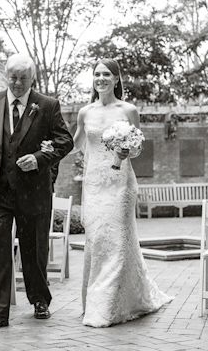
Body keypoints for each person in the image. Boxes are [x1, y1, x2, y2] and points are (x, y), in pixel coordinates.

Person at [0, 54, 73, 331]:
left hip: (33, 191)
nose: (17, 83)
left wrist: (40, 158)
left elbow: (64, 141)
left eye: (23, 78)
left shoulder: (47, 105)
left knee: (33, 249)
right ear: (6, 76)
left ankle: (40, 299)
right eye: (13, 78)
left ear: (32, 79)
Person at [71, 58, 172, 327]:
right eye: (96, 74)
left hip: (120, 184)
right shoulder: (85, 112)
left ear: (116, 79)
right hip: (94, 185)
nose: (101, 78)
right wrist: (50, 148)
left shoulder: (129, 110)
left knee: (117, 241)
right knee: (95, 241)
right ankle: (94, 300)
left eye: (106, 74)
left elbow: (137, 147)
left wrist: (129, 150)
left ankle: (108, 306)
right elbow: (77, 144)